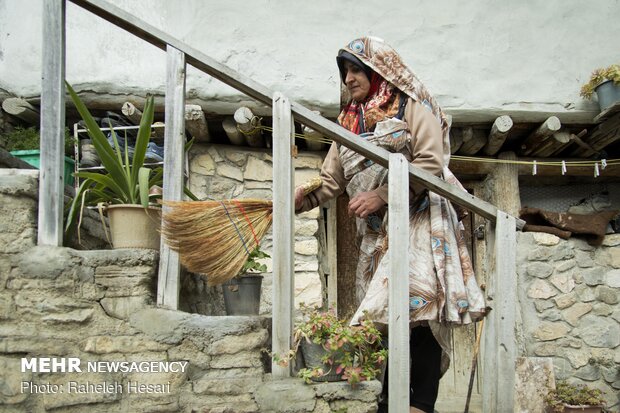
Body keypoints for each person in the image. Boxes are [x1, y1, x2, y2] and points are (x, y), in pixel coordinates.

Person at [295, 37, 486, 413]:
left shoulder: (410, 106)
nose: (348, 79)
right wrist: (305, 198)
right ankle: (388, 401)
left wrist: (382, 195)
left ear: (378, 69)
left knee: (416, 311)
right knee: (385, 319)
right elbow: (332, 182)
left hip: (418, 217)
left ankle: (418, 404)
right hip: (377, 234)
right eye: (344, 71)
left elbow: (431, 164)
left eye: (356, 69)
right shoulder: (347, 123)